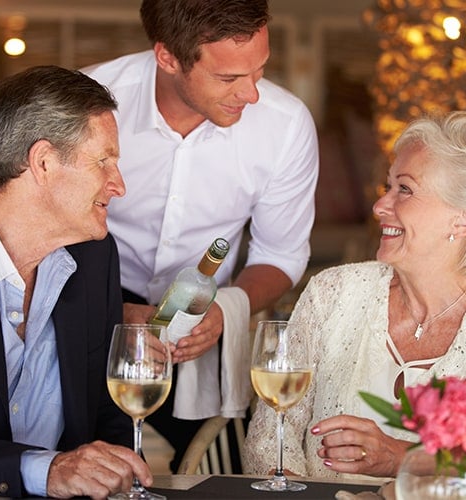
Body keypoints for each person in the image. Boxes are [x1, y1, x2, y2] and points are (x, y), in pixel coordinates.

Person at [83, 0, 319, 471]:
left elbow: (281, 255)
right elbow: (38, 235)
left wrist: (223, 311)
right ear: (167, 57)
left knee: (220, 467)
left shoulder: (286, 125)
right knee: (82, 458)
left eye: (259, 70)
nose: (252, 95)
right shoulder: (89, 102)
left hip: (201, 315)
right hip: (85, 305)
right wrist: (110, 309)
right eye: (230, 78)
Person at [243, 111, 466, 481]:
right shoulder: (333, 294)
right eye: (388, 187)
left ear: (462, 219)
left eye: (404, 189)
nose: (379, 206)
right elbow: (270, 437)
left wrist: (399, 457)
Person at [0, 66, 154, 498]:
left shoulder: (95, 257)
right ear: (43, 162)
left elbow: (107, 417)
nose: (119, 185)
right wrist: (45, 470)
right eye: (104, 162)